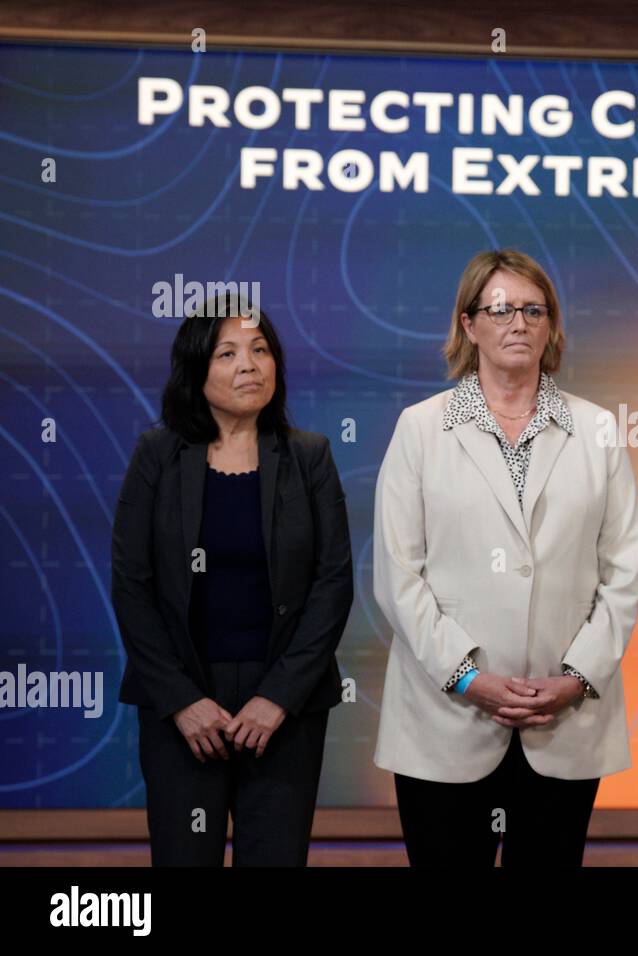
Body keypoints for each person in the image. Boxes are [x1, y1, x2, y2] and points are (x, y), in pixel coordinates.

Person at [372, 249, 638, 867]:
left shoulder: (596, 430)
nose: (517, 322)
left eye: (532, 309)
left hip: (563, 722)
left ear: (550, 326)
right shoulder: (420, 429)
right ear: (468, 325)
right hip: (445, 720)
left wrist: (576, 678)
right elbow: (397, 575)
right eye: (500, 309)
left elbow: (622, 574)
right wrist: (468, 677)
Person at [111, 294, 353, 866]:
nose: (249, 364)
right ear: (196, 371)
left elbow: (333, 584)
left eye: (260, 349)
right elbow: (131, 585)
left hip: (283, 711)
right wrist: (181, 701)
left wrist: (278, 699)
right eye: (227, 353)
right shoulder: (157, 455)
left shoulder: (309, 457)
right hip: (184, 707)